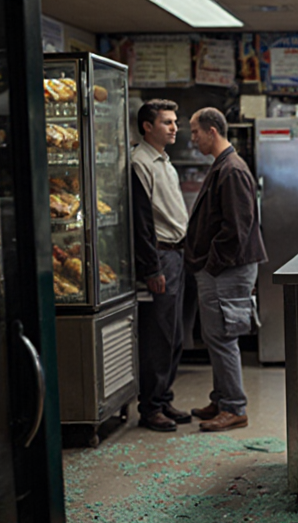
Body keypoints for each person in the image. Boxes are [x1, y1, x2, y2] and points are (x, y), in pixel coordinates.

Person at [185, 107, 267, 432]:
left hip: (226, 270)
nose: (192, 139)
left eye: (195, 132)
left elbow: (237, 227)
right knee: (214, 335)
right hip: (222, 269)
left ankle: (234, 407)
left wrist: (211, 264)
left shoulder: (231, 169)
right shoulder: (224, 165)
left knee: (222, 337)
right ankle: (221, 398)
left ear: (212, 132)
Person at [131, 99, 191, 432]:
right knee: (159, 336)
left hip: (177, 254)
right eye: (167, 122)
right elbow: (141, 222)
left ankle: (164, 398)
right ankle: (150, 407)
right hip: (161, 255)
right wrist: (151, 268)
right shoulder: (140, 162)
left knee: (175, 335)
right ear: (147, 127)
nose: (174, 128)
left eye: (175, 122)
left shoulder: (164, 162)